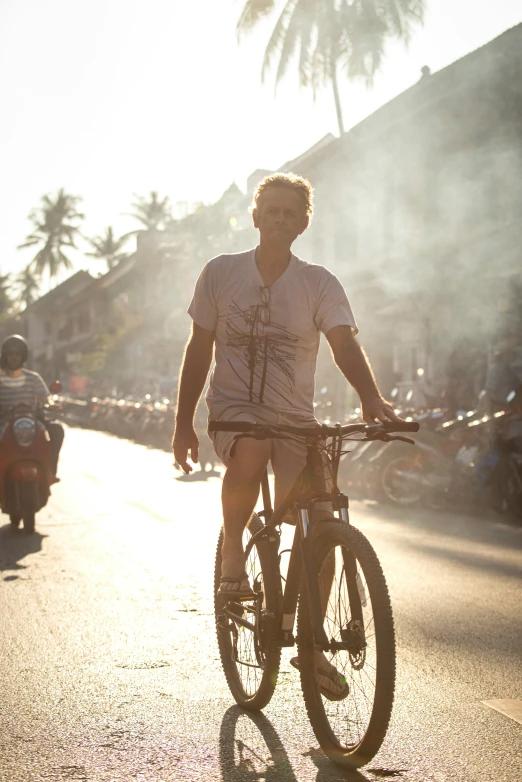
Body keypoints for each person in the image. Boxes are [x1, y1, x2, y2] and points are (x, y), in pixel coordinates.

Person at [173, 173, 400, 698]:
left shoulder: (320, 282)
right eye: (270, 210)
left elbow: (343, 345)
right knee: (251, 449)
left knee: (320, 515)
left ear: (303, 223)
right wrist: (183, 424)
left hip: (295, 416)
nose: (279, 218)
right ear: (255, 217)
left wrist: (370, 397)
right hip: (234, 410)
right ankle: (234, 551)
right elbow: (197, 349)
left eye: (290, 212)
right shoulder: (220, 273)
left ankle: (313, 644)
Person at [0, 334, 64, 479]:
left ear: (23, 356)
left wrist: (52, 405)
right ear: (5, 356)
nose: (14, 356)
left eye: (17, 353)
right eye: (10, 353)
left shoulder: (33, 377)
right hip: (3, 423)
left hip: (31, 423)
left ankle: (50, 471)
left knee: (57, 430)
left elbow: (45, 397)